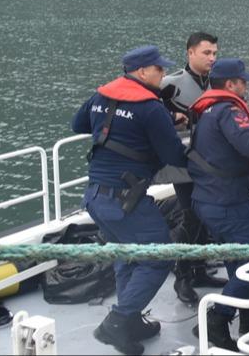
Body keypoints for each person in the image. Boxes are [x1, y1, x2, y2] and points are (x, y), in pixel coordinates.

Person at [72, 45, 187, 355]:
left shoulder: (102, 95)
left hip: (96, 196)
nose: (163, 75)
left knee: (126, 255)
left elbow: (78, 125)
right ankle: (117, 322)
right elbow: (174, 155)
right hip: (127, 202)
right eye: (159, 70)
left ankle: (132, 320)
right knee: (160, 255)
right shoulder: (150, 107)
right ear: (141, 72)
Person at [185, 58, 249, 350]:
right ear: (230, 84)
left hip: (208, 200)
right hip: (228, 202)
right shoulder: (229, 111)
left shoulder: (207, 110)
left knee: (236, 260)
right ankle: (215, 320)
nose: (246, 86)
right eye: (243, 81)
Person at [159, 31, 224, 304]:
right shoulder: (169, 85)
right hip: (184, 163)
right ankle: (182, 275)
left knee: (207, 216)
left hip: (212, 163)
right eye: (206, 53)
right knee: (190, 216)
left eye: (215, 54)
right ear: (190, 53)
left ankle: (198, 269)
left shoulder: (219, 83)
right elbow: (151, 117)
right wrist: (173, 119)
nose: (212, 58)